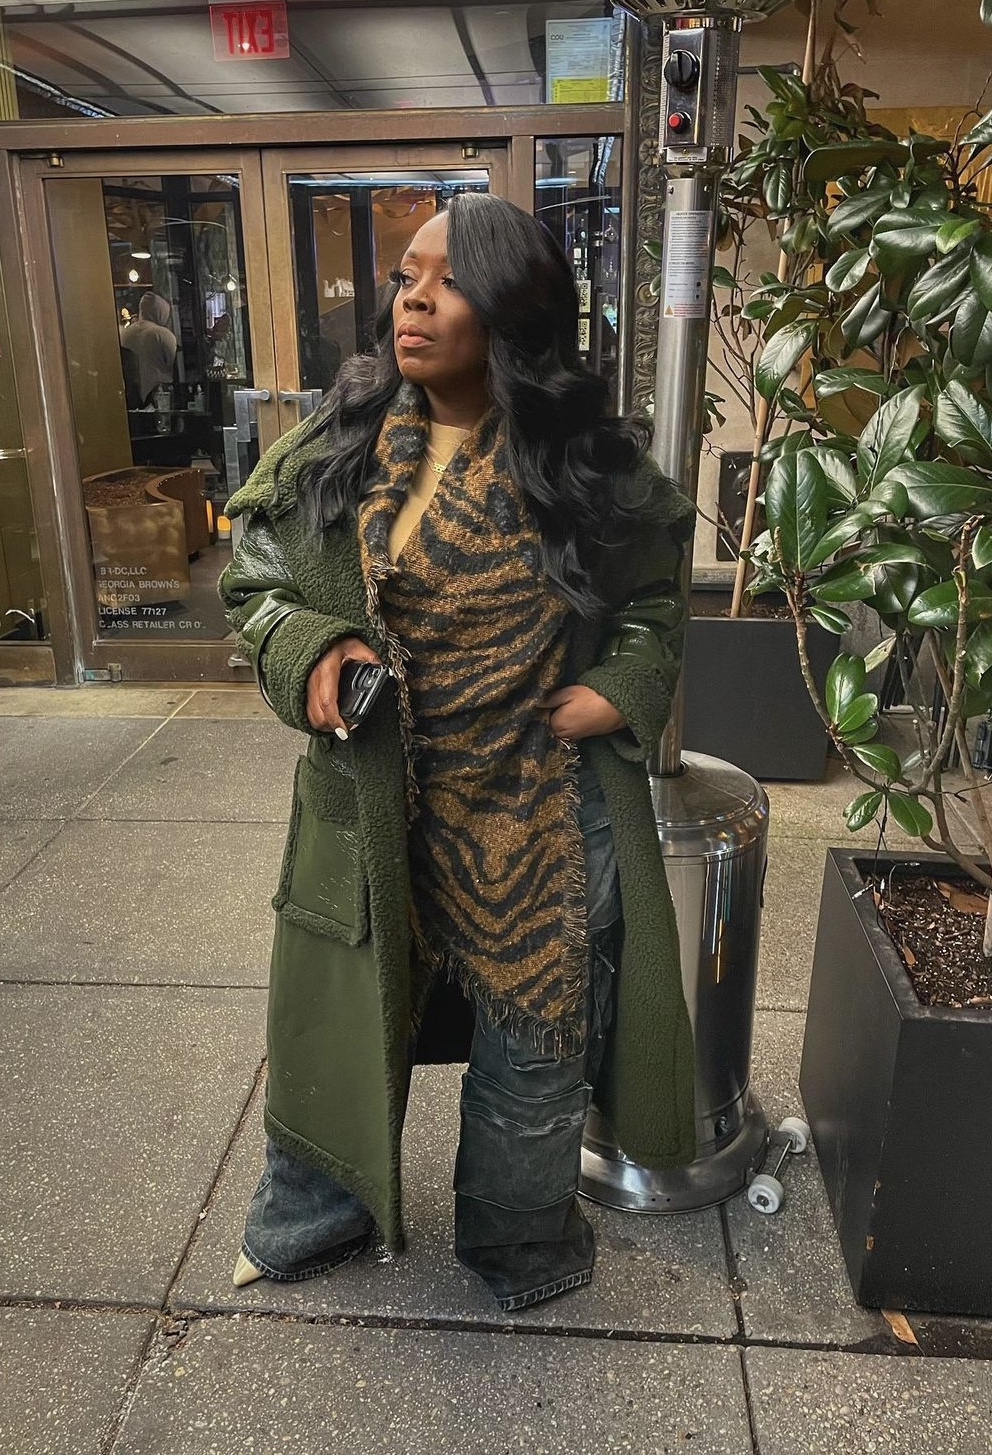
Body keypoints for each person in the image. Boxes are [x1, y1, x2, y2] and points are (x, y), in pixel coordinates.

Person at [218, 192, 696, 1314]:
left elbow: (655, 600)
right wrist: (309, 646)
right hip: (373, 798)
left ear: (516, 309)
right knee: (335, 1022)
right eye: (407, 277)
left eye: (450, 279)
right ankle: (313, 1218)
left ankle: (520, 1239)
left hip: (538, 807)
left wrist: (618, 689)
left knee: (536, 1050)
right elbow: (255, 581)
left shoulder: (587, 464)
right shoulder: (339, 441)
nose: (415, 301)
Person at [121, 291, 178, 407]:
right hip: (159, 395)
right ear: (162, 313)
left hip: (130, 394)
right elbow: (171, 361)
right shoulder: (163, 334)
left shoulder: (124, 333)